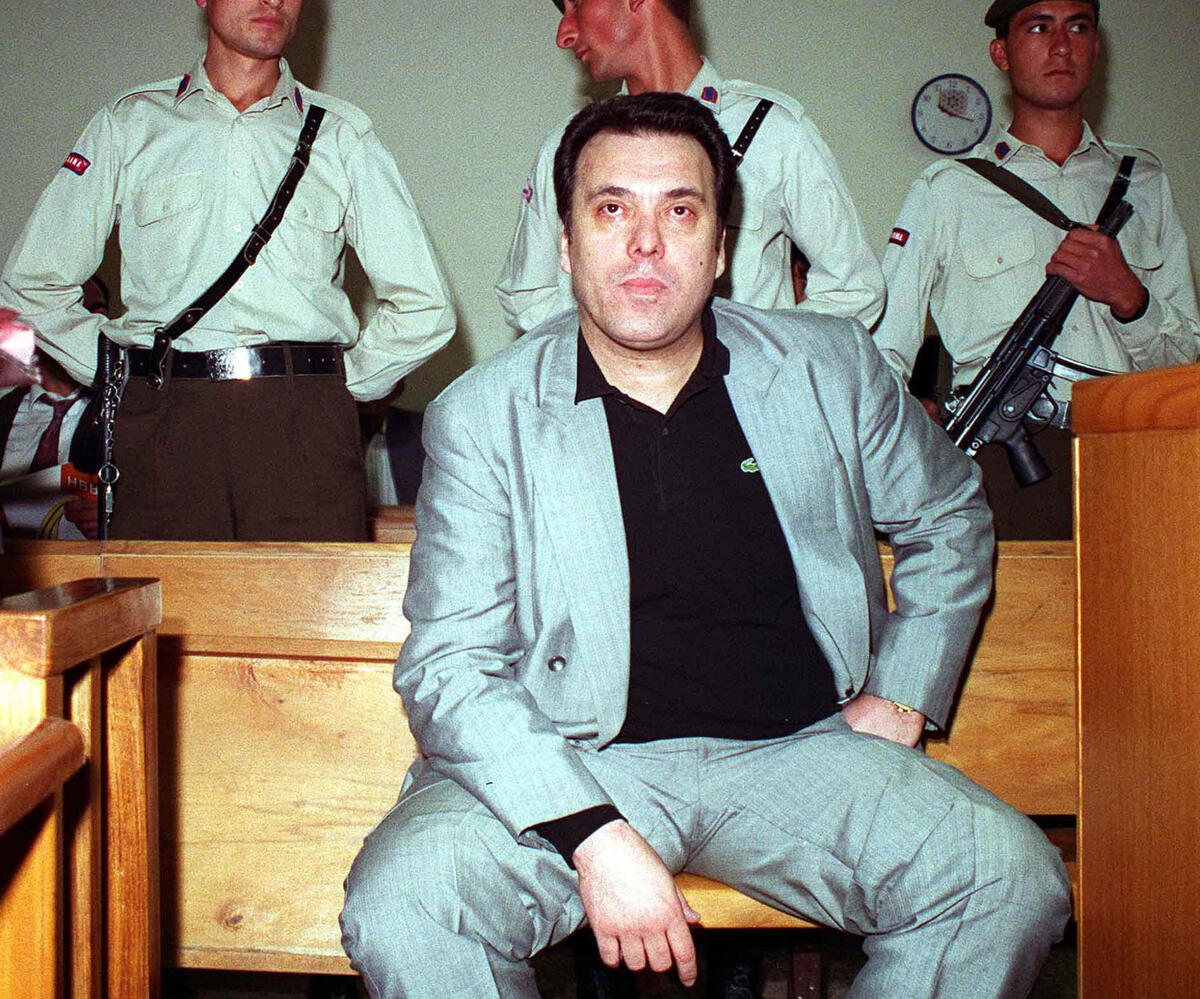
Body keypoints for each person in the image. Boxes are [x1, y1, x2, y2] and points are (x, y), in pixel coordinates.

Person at [340, 92, 1070, 999]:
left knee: (1006, 878)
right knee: (408, 899)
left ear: (719, 247)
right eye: (613, 209)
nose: (646, 243)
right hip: (577, 755)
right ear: (566, 244)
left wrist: (904, 691)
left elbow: (949, 512)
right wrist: (593, 835)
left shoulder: (830, 367)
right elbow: (451, 664)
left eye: (680, 211)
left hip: (799, 752)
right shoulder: (486, 414)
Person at [0, 0, 454, 542]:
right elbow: (32, 283)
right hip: (164, 418)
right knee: (163, 591)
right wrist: (116, 371)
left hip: (304, 423)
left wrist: (339, 384)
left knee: (306, 595)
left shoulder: (342, 134)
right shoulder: (131, 122)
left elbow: (425, 305)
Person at [873, 0, 1199, 539]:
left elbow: (1185, 362)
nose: (1061, 45)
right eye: (1039, 27)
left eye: (1078, 27)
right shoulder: (948, 189)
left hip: (1136, 452)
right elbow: (882, 353)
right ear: (1001, 53)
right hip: (1005, 459)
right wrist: (910, 431)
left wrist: (1129, 298)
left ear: (1095, 48)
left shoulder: (1144, 180)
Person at [495, 0, 884, 335]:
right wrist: (611, 357)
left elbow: (854, 289)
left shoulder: (770, 130)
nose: (564, 34)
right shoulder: (571, 146)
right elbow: (528, 295)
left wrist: (759, 357)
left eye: (577, 3)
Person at [0, 277, 112, 540]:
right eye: (67, 310)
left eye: (93, 312)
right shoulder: (4, 412)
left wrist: (116, 517)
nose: (80, 324)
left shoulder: (127, 414)